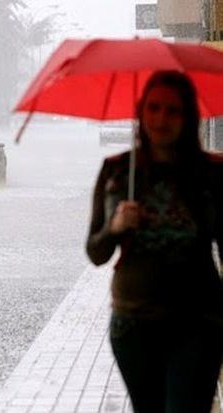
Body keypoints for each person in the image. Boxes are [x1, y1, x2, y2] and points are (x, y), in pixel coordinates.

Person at [86, 70, 223, 412]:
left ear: (188, 117)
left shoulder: (212, 173)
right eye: (154, 108)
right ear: (141, 112)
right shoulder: (118, 170)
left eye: (173, 110)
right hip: (133, 324)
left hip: (197, 322)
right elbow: (96, 252)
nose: (161, 119)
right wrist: (116, 226)